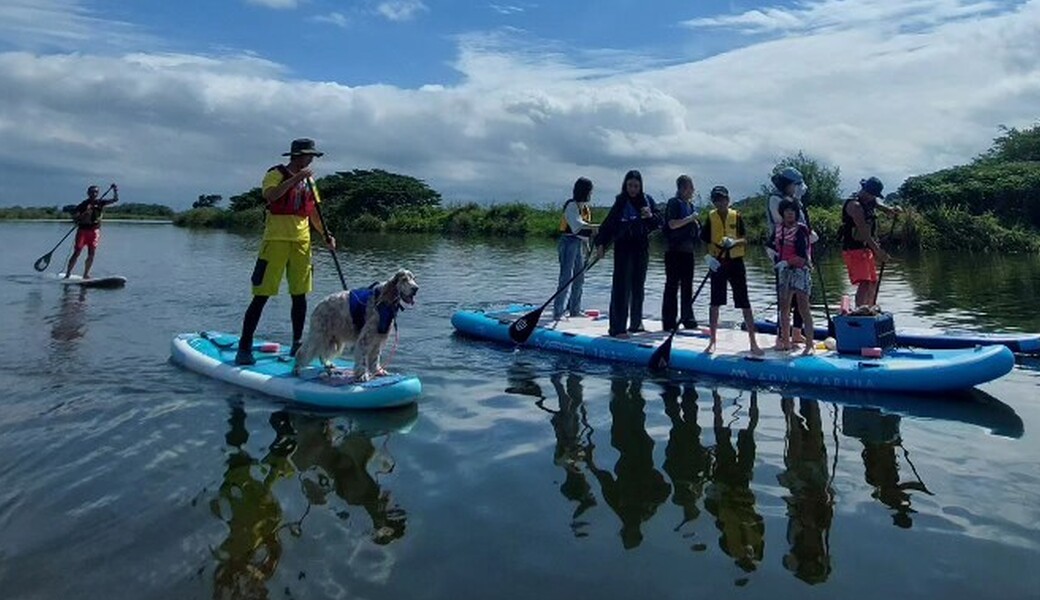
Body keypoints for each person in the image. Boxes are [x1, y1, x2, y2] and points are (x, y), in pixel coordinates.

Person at [235, 138, 336, 366]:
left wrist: (326, 235)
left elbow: (314, 213)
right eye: (309, 156)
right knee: (262, 295)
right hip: (276, 241)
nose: (311, 160)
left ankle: (297, 344)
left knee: (299, 295)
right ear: (298, 156)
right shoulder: (275, 173)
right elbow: (271, 196)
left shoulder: (310, 181)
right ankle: (244, 346)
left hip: (301, 242)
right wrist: (296, 179)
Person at [593, 170, 662, 338]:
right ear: (625, 185)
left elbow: (658, 223)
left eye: (636, 186)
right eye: (630, 185)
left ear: (641, 186)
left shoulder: (647, 201)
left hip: (641, 247)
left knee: (638, 287)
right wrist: (600, 244)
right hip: (624, 248)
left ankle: (636, 324)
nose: (633, 189)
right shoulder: (621, 201)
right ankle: (617, 328)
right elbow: (609, 224)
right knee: (621, 287)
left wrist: (650, 216)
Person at [700, 185, 764, 355]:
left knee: (744, 302)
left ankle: (753, 342)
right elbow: (704, 240)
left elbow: (745, 240)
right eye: (716, 200)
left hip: (736, 262)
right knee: (715, 302)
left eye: (722, 199)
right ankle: (712, 341)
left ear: (728, 200)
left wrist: (734, 243)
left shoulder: (736, 217)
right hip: (718, 263)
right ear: (713, 201)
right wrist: (708, 258)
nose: (720, 202)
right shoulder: (710, 217)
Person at [766, 166, 814, 343]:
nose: (798, 188)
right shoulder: (775, 199)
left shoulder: (796, 201)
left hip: (800, 254)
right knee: (785, 298)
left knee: (802, 298)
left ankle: (797, 332)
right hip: (782, 254)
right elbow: (781, 222)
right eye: (795, 185)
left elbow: (801, 224)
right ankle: (782, 336)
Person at [839, 176, 899, 309]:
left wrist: (889, 210)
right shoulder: (855, 206)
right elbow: (865, 234)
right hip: (854, 249)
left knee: (873, 281)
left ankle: (870, 309)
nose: (873, 198)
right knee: (865, 282)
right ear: (866, 192)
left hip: (866, 249)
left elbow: (878, 205)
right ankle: (860, 311)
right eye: (873, 195)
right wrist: (879, 252)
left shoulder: (870, 200)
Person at [771, 200, 814, 354]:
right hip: (784, 271)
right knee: (784, 307)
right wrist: (775, 258)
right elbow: (772, 245)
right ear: (782, 213)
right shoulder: (778, 229)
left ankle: (809, 345)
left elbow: (802, 256)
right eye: (787, 211)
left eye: (792, 211)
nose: (790, 213)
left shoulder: (801, 230)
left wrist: (786, 262)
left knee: (803, 308)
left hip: (799, 271)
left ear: (796, 213)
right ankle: (785, 341)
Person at [553, 177, 598, 320]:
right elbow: (577, 225)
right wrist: (596, 227)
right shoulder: (571, 205)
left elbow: (584, 233)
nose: (591, 194)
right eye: (590, 191)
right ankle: (558, 311)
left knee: (579, 277)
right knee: (566, 277)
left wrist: (588, 247)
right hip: (568, 243)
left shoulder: (585, 207)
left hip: (579, 244)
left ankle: (574, 309)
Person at [661, 174, 701, 331]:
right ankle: (669, 321)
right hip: (674, 251)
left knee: (687, 286)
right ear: (684, 188)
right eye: (691, 188)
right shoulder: (673, 203)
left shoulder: (690, 206)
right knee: (672, 286)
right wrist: (690, 219)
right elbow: (672, 224)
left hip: (688, 251)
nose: (692, 191)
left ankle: (687, 318)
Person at [65, 183, 118, 279]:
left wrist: (115, 190)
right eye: (92, 192)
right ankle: (68, 273)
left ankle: (86, 274)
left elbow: (115, 200)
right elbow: (75, 218)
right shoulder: (83, 204)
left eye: (96, 192)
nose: (94, 194)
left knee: (91, 253)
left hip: (94, 231)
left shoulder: (100, 202)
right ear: (88, 193)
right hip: (83, 231)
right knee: (77, 253)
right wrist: (84, 214)